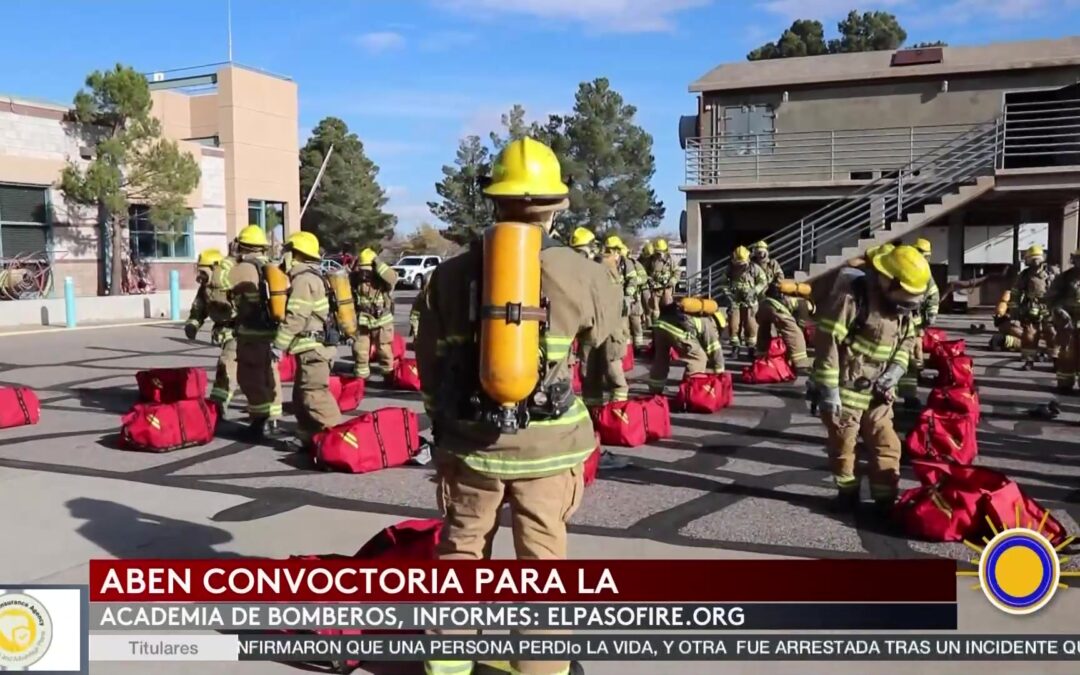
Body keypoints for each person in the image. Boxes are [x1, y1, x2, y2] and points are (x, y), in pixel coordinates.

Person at [415, 137, 619, 675]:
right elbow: (608, 358)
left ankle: (448, 668)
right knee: (542, 568)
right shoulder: (588, 274)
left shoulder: (447, 276)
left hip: (470, 447)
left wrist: (443, 430)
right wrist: (597, 414)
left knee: (460, 557)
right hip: (551, 453)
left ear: (494, 199)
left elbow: (430, 367)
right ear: (556, 205)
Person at [812, 245, 929, 515]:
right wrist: (829, 392)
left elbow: (907, 338)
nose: (908, 306)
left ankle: (885, 500)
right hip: (846, 389)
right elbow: (827, 342)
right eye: (906, 298)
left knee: (887, 444)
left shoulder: (902, 305)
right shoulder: (853, 299)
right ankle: (847, 494)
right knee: (843, 446)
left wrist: (895, 372)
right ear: (889, 281)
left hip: (879, 391)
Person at [272, 231, 341, 451]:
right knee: (301, 396)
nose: (284, 257)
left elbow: (296, 317)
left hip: (313, 349)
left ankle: (342, 440)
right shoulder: (311, 276)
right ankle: (307, 438)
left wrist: (278, 345)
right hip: (311, 348)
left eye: (288, 252)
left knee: (314, 395)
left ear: (296, 254)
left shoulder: (304, 280)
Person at [223, 225, 284, 440]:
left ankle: (260, 423)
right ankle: (274, 420)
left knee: (250, 377)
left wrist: (228, 261)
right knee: (270, 375)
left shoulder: (242, 268)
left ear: (241, 245)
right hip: (271, 332)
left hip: (250, 333)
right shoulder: (272, 267)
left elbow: (221, 291)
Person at [582, 235, 636, 406]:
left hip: (594, 329)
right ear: (614, 252)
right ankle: (616, 414)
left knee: (592, 375)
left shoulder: (596, 266)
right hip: (607, 329)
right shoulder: (607, 267)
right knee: (612, 373)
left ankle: (598, 414)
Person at [184, 248, 238, 417]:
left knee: (226, 366)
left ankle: (219, 404)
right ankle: (218, 404)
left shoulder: (231, 283)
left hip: (239, 332)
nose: (200, 274)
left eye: (203, 269)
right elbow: (199, 307)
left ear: (215, 268)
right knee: (230, 368)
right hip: (225, 333)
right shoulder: (206, 288)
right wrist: (192, 325)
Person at [648, 301, 725, 394]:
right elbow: (715, 349)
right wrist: (719, 371)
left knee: (661, 358)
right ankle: (690, 392)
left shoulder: (697, 316)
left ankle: (655, 389)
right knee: (698, 358)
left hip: (659, 325)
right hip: (675, 328)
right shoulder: (709, 325)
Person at [898, 238, 940, 407]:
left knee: (913, 353)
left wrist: (930, 315)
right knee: (907, 355)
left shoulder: (924, 273)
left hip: (912, 322)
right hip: (900, 319)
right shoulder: (903, 267)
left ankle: (909, 392)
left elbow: (932, 294)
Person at [350, 248, 399, 380]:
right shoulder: (355, 278)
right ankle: (361, 377)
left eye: (368, 270)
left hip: (382, 319)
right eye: (362, 270)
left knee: (384, 349)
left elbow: (393, 278)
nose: (365, 274)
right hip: (362, 320)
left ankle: (388, 374)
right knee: (360, 349)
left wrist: (378, 263)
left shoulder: (383, 278)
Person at [1010, 244, 1057, 370]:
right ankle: (1029, 361)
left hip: (1049, 307)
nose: (1035, 261)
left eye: (1037, 258)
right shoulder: (1024, 275)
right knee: (1030, 335)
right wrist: (1015, 311)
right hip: (1031, 306)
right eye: (1032, 258)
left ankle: (1056, 360)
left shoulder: (1053, 272)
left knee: (1051, 333)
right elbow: (1016, 292)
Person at [756, 282, 811, 375]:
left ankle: (761, 356)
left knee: (764, 331)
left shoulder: (793, 297)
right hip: (776, 307)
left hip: (763, 305)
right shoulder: (804, 304)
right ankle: (801, 365)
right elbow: (800, 325)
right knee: (795, 333)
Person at [1046, 250, 1080, 392]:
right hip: (1067, 318)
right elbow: (1051, 298)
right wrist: (1058, 310)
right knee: (1067, 350)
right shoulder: (1065, 277)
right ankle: (1065, 382)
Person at [727, 246, 768, 356]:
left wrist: (754, 291)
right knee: (733, 324)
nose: (740, 266)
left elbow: (763, 281)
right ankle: (735, 347)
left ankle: (751, 347)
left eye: (742, 264)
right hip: (735, 300)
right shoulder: (730, 269)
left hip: (750, 301)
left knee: (751, 324)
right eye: (738, 263)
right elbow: (723, 283)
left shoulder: (754, 268)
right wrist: (729, 295)